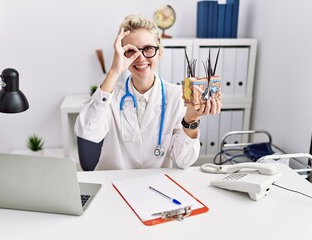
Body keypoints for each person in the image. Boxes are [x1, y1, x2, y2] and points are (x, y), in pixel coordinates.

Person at [75, 15, 222, 170]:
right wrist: (114, 71)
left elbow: (184, 161)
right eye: (131, 51)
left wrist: (191, 118)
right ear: (122, 54)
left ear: (160, 52)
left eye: (148, 49)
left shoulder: (177, 96)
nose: (140, 58)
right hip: (112, 184)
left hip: (155, 185)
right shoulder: (110, 95)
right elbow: (87, 132)